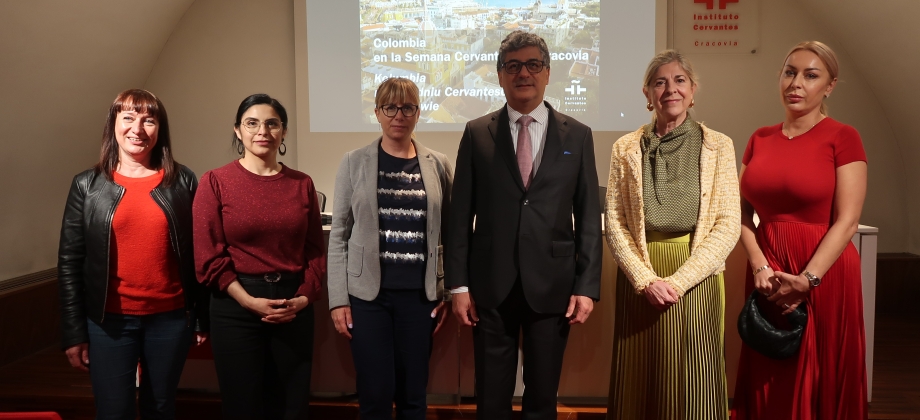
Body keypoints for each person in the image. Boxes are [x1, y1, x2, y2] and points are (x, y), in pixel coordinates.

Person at [445, 30, 602, 419]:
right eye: (513, 66)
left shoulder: (578, 135)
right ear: (499, 75)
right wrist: (459, 286)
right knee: (491, 400)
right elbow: (459, 216)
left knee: (543, 398)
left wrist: (587, 287)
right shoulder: (477, 133)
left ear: (547, 73)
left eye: (533, 64)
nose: (523, 74)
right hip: (489, 290)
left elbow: (587, 217)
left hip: (553, 285)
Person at [731, 41, 868, 419]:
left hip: (823, 272)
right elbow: (738, 213)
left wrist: (808, 279)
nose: (796, 83)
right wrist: (759, 264)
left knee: (820, 374)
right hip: (769, 273)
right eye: (790, 72)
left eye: (811, 75)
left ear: (830, 86)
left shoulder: (843, 136)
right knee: (770, 369)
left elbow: (848, 221)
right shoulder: (759, 138)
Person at [603, 50, 740, 419]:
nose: (670, 89)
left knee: (694, 380)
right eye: (660, 82)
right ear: (646, 93)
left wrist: (677, 283)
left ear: (693, 90)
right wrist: (646, 280)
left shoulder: (718, 145)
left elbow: (728, 224)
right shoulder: (625, 148)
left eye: (679, 81)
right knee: (641, 374)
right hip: (641, 276)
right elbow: (615, 222)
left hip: (696, 276)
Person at [58, 88, 209, 419]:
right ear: (113, 124)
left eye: (148, 120)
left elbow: (199, 254)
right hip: (109, 322)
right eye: (128, 118)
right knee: (114, 411)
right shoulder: (87, 185)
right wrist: (73, 332)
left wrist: (200, 315)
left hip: (170, 319)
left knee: (161, 407)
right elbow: (69, 264)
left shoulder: (183, 181)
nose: (137, 129)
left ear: (160, 129)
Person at [193, 94, 326, 419]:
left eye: (272, 123)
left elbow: (314, 251)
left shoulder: (302, 184)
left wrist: (304, 298)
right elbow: (208, 256)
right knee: (242, 406)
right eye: (252, 123)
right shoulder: (215, 182)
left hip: (292, 307)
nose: (262, 130)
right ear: (238, 131)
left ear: (283, 132)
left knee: (291, 406)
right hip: (235, 308)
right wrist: (248, 300)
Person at [327, 77, 453, 419]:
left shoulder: (438, 163)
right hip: (368, 300)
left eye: (407, 107)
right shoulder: (354, 162)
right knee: (375, 396)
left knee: (414, 396)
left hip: (420, 297)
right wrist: (338, 300)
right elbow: (339, 234)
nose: (399, 115)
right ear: (378, 112)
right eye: (390, 107)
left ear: (417, 112)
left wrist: (445, 293)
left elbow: (450, 234)